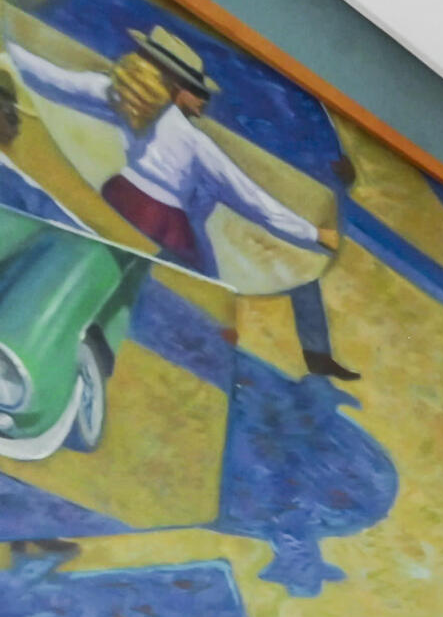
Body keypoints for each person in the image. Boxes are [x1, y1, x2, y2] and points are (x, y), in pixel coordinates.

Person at [1, 26, 351, 373]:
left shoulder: (122, 98)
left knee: (121, 270)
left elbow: (51, 80)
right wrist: (314, 235)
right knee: (206, 294)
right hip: (162, 222)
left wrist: (10, 48)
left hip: (119, 197)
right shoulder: (195, 143)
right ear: (179, 89)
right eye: (199, 91)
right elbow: (253, 201)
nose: (204, 100)